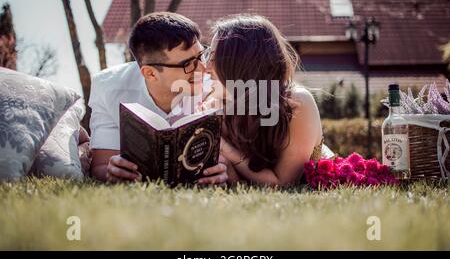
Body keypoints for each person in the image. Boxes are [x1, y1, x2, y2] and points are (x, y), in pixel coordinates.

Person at [88, 12, 227, 184]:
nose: (203, 69)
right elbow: (100, 165)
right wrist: (111, 172)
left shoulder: (215, 85)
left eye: (201, 56)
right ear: (150, 73)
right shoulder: (108, 87)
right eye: (187, 64)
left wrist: (220, 170)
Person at [203, 14, 335, 186]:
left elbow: (284, 183)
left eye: (214, 59)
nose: (206, 68)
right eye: (207, 56)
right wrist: (226, 168)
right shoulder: (221, 102)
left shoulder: (297, 103)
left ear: (242, 64)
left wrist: (223, 147)